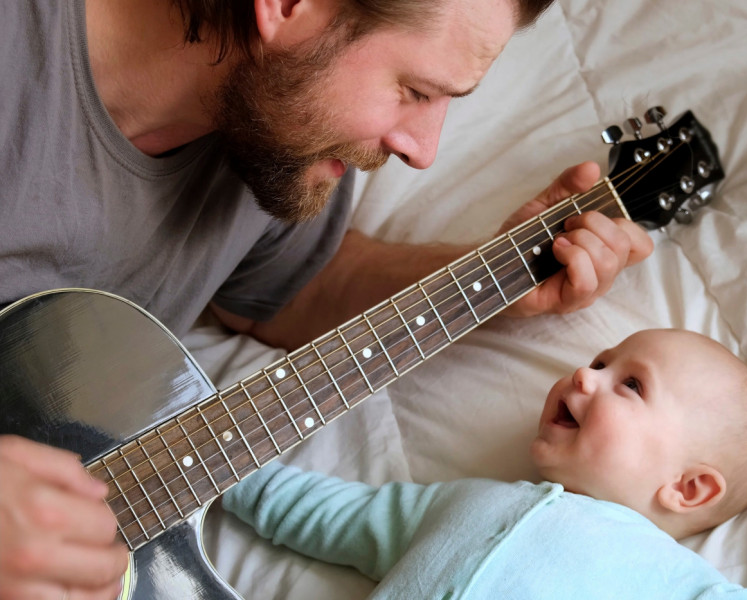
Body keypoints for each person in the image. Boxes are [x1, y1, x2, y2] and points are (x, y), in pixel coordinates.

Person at [0, 0, 655, 598]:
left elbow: (291, 290)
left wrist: (494, 278)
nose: (422, 150)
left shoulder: (280, 138)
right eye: (415, 91)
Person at [222, 329, 747, 599]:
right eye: (601, 361)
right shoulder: (456, 500)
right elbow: (330, 514)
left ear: (689, 488)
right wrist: (223, 467)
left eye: (629, 384)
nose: (585, 373)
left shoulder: (672, 581)